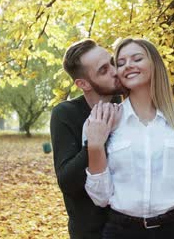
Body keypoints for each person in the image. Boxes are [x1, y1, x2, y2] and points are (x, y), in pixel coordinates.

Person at [84, 38, 174, 239]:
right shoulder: (104, 119)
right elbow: (100, 198)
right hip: (123, 232)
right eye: (120, 63)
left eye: (137, 59)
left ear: (154, 64)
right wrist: (95, 146)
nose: (128, 65)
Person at [50, 39, 123, 239]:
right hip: (91, 233)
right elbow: (67, 182)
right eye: (103, 70)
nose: (115, 71)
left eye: (112, 63)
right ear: (83, 84)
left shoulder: (129, 106)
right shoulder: (65, 113)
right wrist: (94, 141)